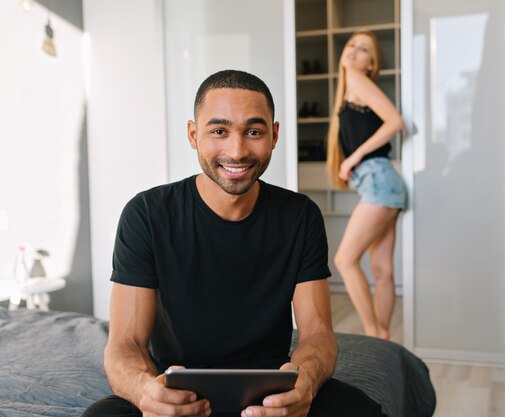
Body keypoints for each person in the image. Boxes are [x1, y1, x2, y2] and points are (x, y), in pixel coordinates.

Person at [82, 70, 388, 417]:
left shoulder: (300, 216)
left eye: (253, 132)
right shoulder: (147, 214)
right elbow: (125, 344)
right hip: (176, 392)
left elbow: (318, 335)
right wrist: (144, 392)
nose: (237, 151)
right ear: (193, 135)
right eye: (219, 131)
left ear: (274, 136)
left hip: (273, 391)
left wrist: (304, 381)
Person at [327, 31, 407, 340]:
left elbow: (395, 122)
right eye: (352, 46)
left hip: (378, 180)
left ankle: (373, 333)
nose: (354, 52)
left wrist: (354, 157)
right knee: (382, 269)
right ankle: (383, 337)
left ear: (371, 63)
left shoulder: (359, 82)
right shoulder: (350, 89)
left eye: (364, 50)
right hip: (383, 183)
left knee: (344, 260)